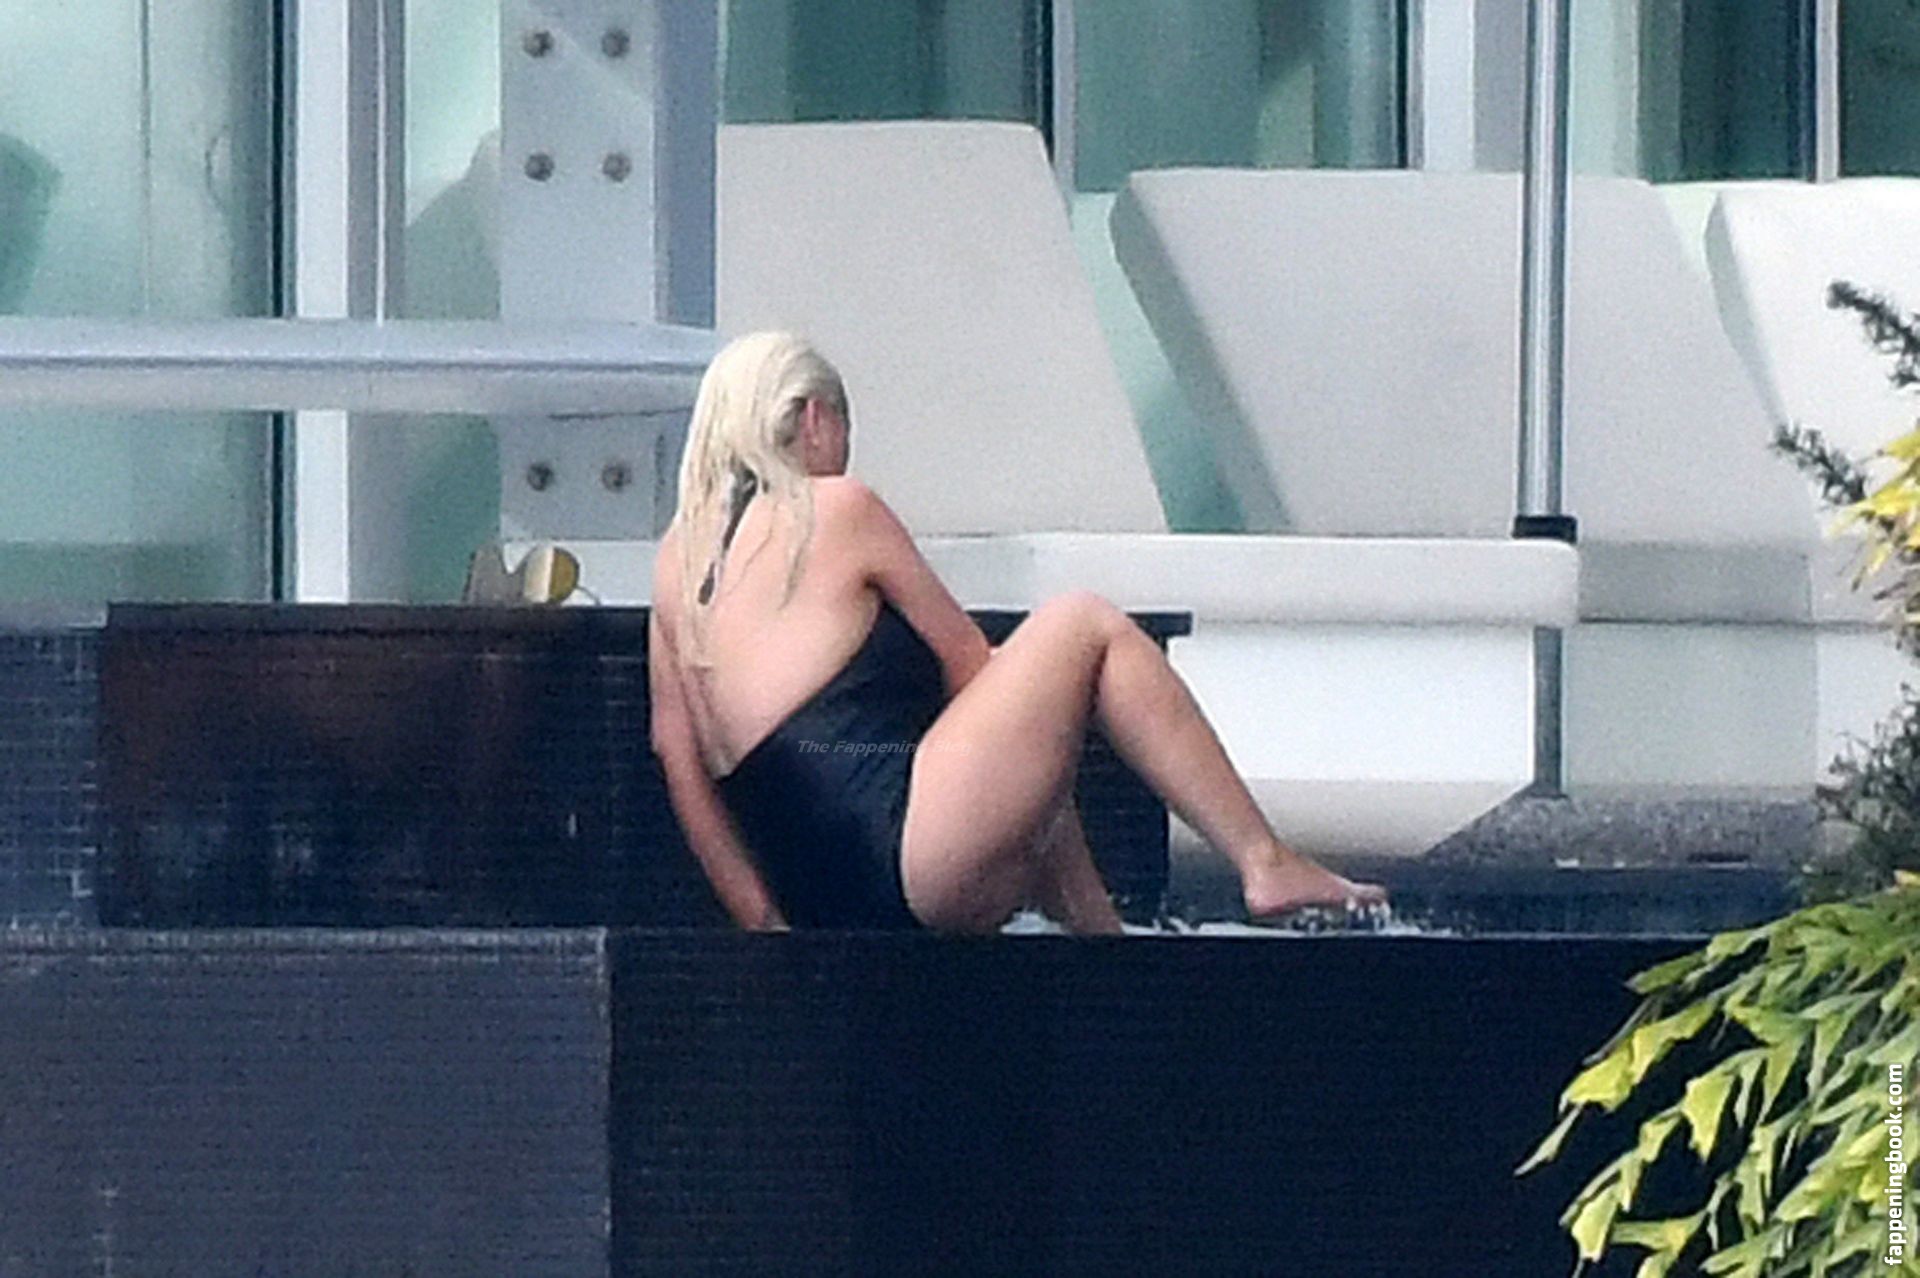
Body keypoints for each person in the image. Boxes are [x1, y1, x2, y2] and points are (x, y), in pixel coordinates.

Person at [648, 331, 1388, 935]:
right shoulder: (838, 507)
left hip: (816, 897)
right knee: (1081, 625)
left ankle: (1101, 934)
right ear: (814, 419)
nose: (845, 453)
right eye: (845, 431)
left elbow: (678, 761)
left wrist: (763, 920)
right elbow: (973, 665)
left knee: (1015, 721)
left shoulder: (676, 561)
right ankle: (1261, 860)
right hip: (908, 860)